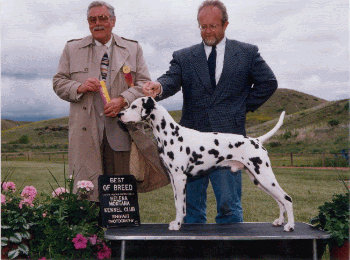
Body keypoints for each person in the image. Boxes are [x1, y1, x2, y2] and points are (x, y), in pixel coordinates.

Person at [143, 0, 278, 224]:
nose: (207, 31)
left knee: (229, 207)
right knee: (192, 211)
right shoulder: (184, 56)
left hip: (229, 143)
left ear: (225, 25)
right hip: (189, 144)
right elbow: (171, 79)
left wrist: (241, 107)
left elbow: (268, 82)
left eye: (213, 26)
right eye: (203, 26)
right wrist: (159, 86)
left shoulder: (247, 53)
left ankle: (231, 249)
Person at [53, 1, 151, 201]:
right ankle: (88, 233)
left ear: (113, 21)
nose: (97, 23)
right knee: (86, 193)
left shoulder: (132, 48)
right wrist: (79, 87)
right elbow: (58, 82)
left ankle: (119, 231)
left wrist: (123, 100)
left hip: (121, 132)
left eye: (103, 18)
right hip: (85, 133)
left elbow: (145, 84)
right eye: (92, 19)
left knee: (120, 194)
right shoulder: (72, 48)